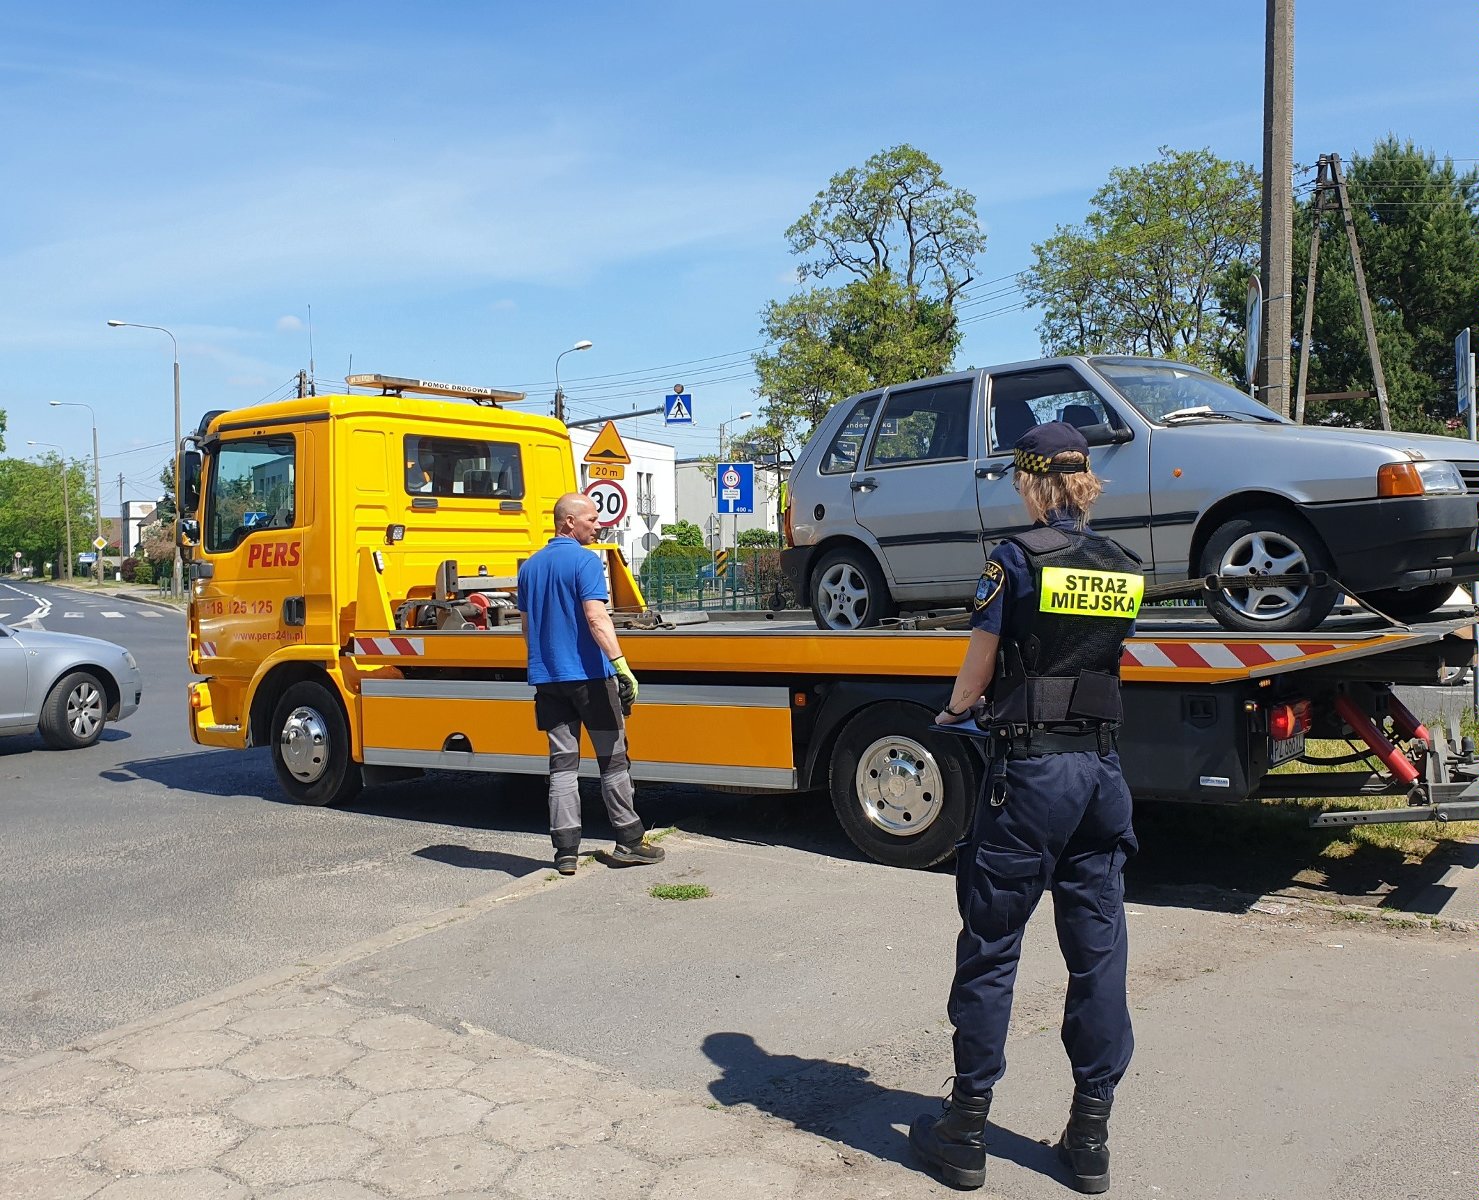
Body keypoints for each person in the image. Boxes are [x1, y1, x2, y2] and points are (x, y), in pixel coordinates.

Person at [909, 422, 1143, 1194]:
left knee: (991, 947)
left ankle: (965, 1131)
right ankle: (1090, 1138)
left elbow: (980, 659)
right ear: (1084, 484)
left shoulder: (1015, 557)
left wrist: (953, 712)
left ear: (1033, 483)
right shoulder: (1120, 564)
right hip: (1100, 772)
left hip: (1032, 776)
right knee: (1097, 953)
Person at [516, 492, 665, 875]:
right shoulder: (584, 562)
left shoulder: (529, 568)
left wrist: (541, 663)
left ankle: (565, 852)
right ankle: (630, 841)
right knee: (613, 761)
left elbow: (527, 627)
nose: (598, 525)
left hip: (549, 680)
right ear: (569, 522)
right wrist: (621, 664)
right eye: (592, 519)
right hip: (590, 678)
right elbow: (597, 617)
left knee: (562, 766)